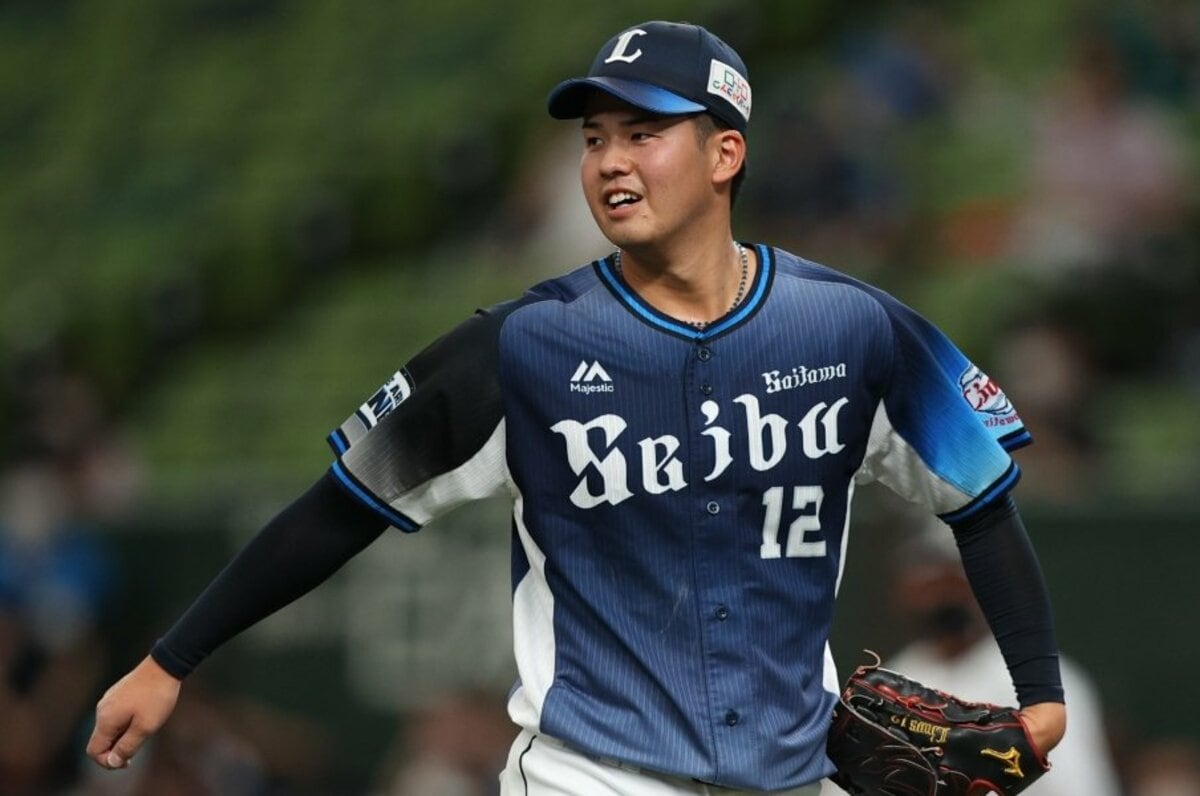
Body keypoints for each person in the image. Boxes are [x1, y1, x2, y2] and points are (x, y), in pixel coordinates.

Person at [88, 20, 1067, 794]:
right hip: (591, 775)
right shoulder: (522, 347)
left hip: (793, 777)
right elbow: (342, 505)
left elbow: (980, 500)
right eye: (594, 136)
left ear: (725, 152)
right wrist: (172, 659)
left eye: (643, 131)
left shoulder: (856, 331)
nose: (607, 160)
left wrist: (1040, 695)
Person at [886, 519, 1120, 796]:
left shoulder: (1042, 679)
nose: (943, 593)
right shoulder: (889, 681)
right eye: (932, 580)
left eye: (954, 580)